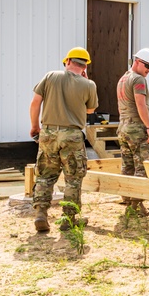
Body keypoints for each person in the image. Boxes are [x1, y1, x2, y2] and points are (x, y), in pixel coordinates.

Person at [28, 47, 99, 233]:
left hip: (49, 133)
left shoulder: (50, 76)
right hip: (72, 135)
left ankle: (41, 214)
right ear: (85, 66)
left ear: (67, 62)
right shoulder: (89, 84)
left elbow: (35, 103)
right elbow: (90, 110)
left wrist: (35, 127)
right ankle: (69, 218)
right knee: (73, 178)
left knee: (45, 175)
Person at [116, 48, 149, 214]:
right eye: (147, 65)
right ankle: (136, 205)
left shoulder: (123, 78)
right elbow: (141, 104)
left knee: (127, 165)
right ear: (137, 61)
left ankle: (126, 199)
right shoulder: (138, 79)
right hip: (136, 127)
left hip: (123, 126)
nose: (148, 70)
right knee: (143, 166)